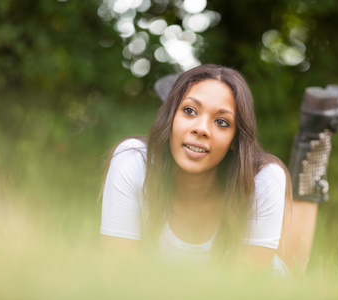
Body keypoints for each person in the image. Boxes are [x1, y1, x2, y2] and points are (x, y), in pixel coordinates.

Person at [101, 64, 293, 273]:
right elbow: (119, 276)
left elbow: (244, 289)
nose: (201, 129)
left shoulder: (264, 179)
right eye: (189, 111)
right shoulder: (133, 159)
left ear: (235, 140)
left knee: (294, 268)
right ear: (170, 117)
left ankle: (310, 145)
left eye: (221, 122)